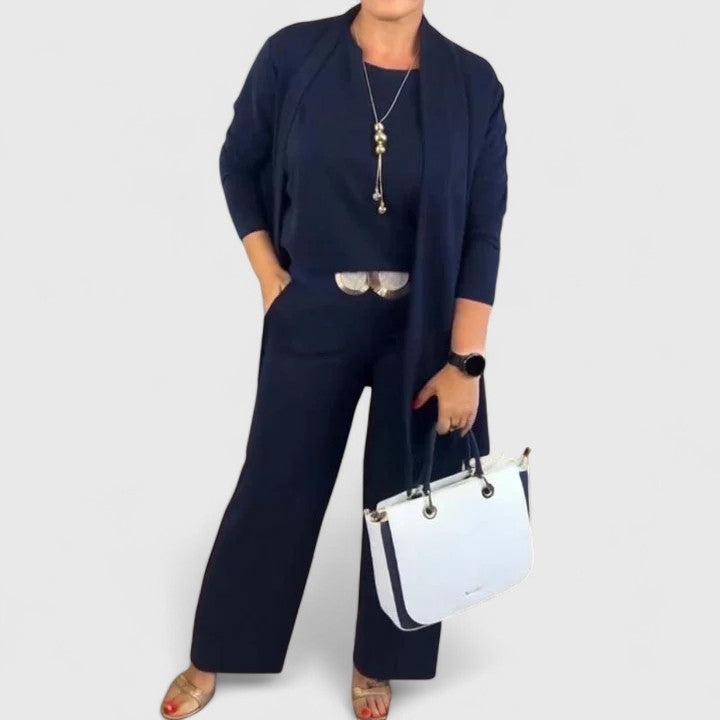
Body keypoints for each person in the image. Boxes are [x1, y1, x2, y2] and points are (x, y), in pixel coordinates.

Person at [160, 1, 508, 718]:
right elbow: (239, 161)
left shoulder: (474, 83)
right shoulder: (293, 56)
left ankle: (379, 660)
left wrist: (465, 360)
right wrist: (269, 275)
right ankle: (216, 648)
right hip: (314, 309)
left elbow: (483, 227)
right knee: (275, 484)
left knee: (407, 494)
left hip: (422, 326)